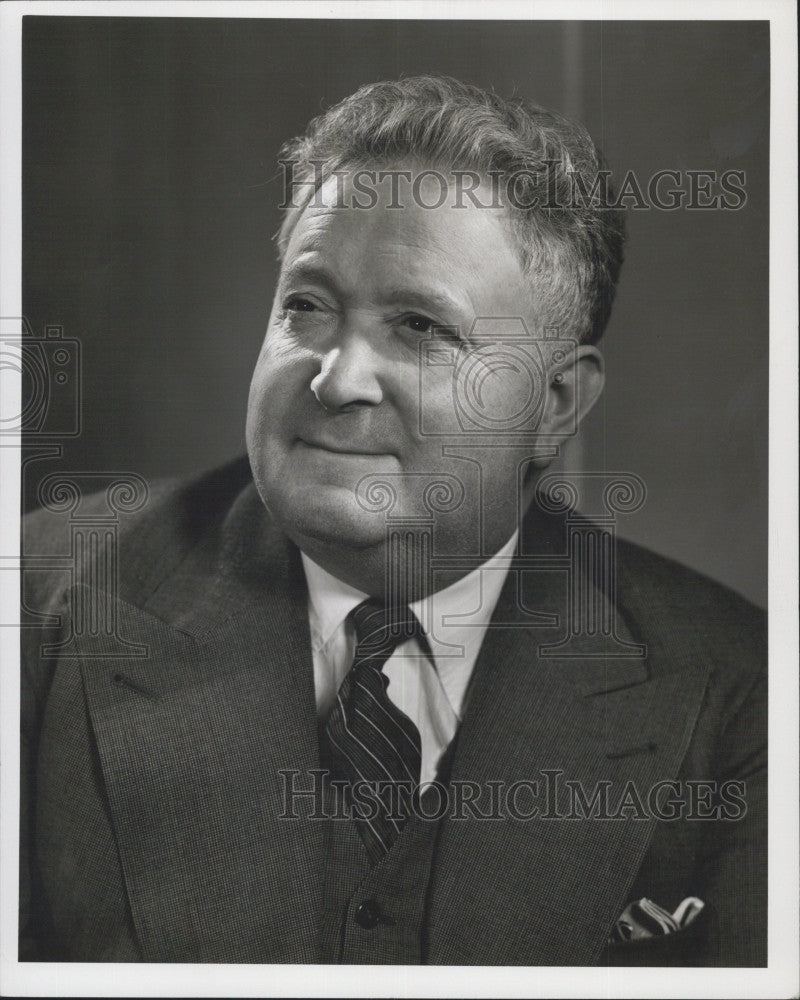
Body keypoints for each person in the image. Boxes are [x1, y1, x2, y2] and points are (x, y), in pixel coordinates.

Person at [19, 76, 766, 966]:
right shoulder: (39, 612)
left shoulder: (738, 690)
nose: (336, 380)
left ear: (556, 402)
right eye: (306, 306)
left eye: (418, 326)